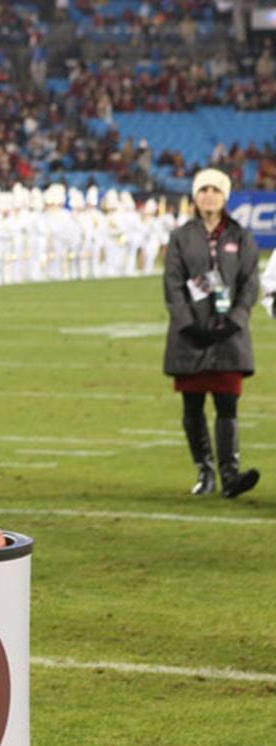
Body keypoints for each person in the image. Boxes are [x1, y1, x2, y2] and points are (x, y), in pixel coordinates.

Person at [162, 168, 260, 499]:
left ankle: (230, 475)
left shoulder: (241, 236)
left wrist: (236, 317)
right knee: (193, 406)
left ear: (225, 196)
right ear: (194, 195)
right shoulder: (181, 236)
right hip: (190, 335)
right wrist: (189, 323)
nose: (209, 195)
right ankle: (205, 472)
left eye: (215, 190)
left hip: (230, 335)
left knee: (227, 403)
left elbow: (250, 282)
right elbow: (173, 283)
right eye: (203, 189)